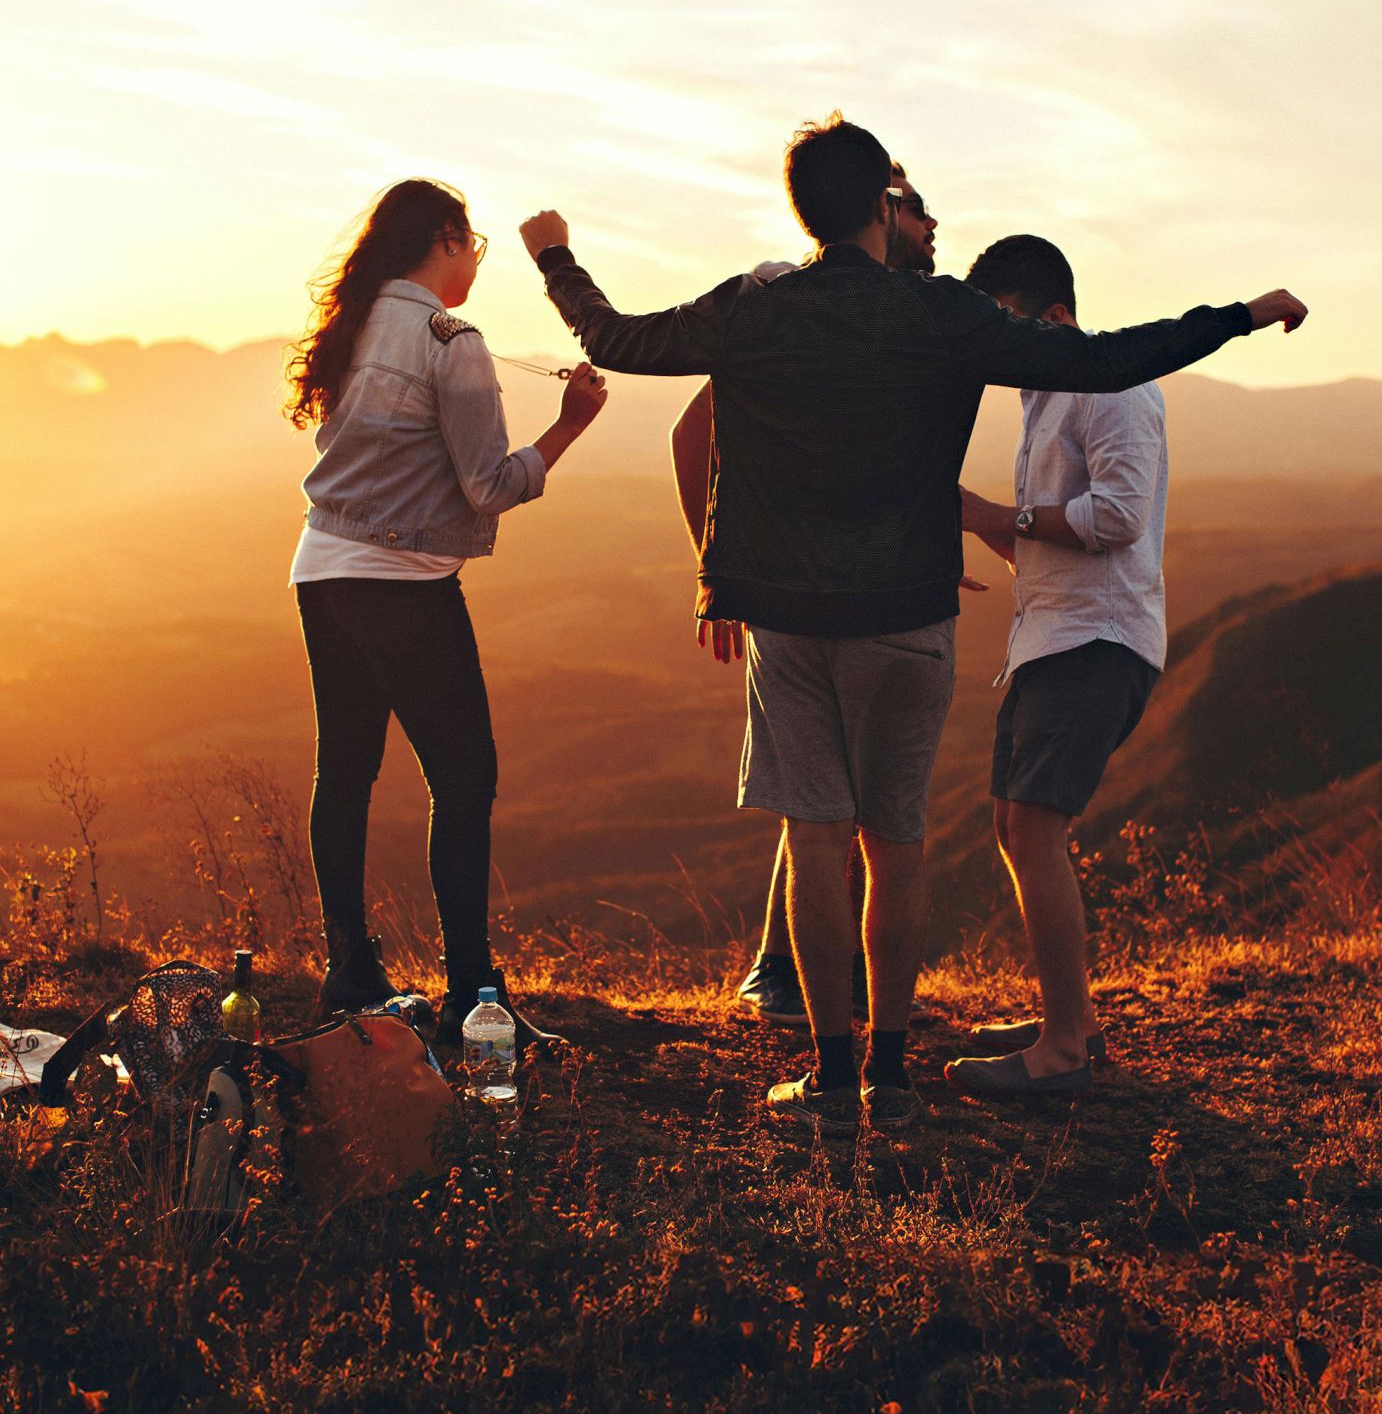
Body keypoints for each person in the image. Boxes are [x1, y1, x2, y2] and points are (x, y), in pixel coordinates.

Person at [518, 114, 1306, 1133]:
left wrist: (555, 258)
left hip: (792, 618)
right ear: (884, 209)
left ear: (805, 207)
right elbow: (1107, 360)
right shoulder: (937, 314)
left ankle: (833, 1079)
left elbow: (618, 339)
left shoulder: (755, 309)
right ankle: (891, 1075)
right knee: (898, 846)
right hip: (909, 613)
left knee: (816, 843)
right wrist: (1238, 314)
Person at [284, 177, 608, 1050]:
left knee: (346, 772)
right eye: (474, 247)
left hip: (322, 570)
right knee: (464, 782)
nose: (475, 265)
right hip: (405, 584)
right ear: (446, 240)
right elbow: (490, 485)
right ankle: (476, 999)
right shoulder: (451, 341)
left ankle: (349, 974)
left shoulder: (354, 324)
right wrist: (571, 424)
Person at [669, 164, 942, 1028]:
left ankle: (811, 986)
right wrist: (718, 572)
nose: (935, 224)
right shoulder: (788, 303)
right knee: (824, 802)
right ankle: (787, 976)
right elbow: (692, 431)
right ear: (875, 213)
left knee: (834, 800)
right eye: (915, 206)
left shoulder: (895, 319)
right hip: (799, 592)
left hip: (861, 587)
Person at [943, 235, 1169, 1099]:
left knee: (1035, 830)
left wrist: (1004, 513)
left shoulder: (1108, 386)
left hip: (1097, 643)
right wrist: (974, 521)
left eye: (1004, 323)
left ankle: (1064, 1049)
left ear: (1057, 315)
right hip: (1052, 638)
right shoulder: (1044, 398)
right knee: (1014, 826)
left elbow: (1114, 519)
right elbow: (1044, 535)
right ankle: (1066, 1017)